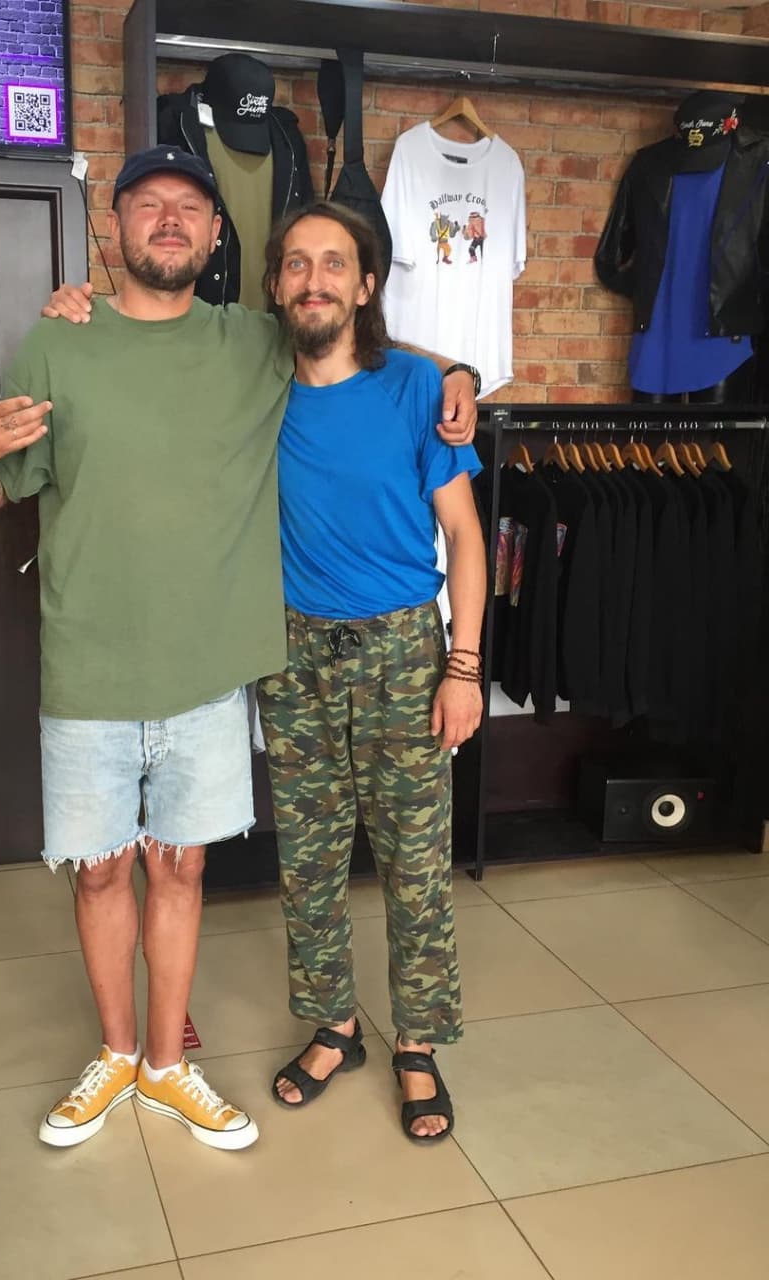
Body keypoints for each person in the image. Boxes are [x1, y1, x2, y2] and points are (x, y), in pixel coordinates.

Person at [0, 145, 477, 1156]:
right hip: (167, 659)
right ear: (115, 226)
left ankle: (260, 1055)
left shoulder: (283, 350)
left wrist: (458, 372)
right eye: (146, 203)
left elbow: (354, 341)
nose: (168, 219)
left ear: (217, 233)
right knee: (184, 870)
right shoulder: (76, 342)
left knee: (265, 867)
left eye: (188, 206)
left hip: (285, 664)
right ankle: (180, 1046)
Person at [257, 201, 486, 1143]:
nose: (314, 278)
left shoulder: (416, 389)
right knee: (308, 861)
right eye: (296, 263)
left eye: (334, 263)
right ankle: (335, 1028)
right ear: (276, 284)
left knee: (415, 863)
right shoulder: (253, 380)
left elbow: (465, 537)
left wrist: (463, 667)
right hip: (293, 654)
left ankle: (418, 1044)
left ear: (366, 285)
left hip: (404, 652)